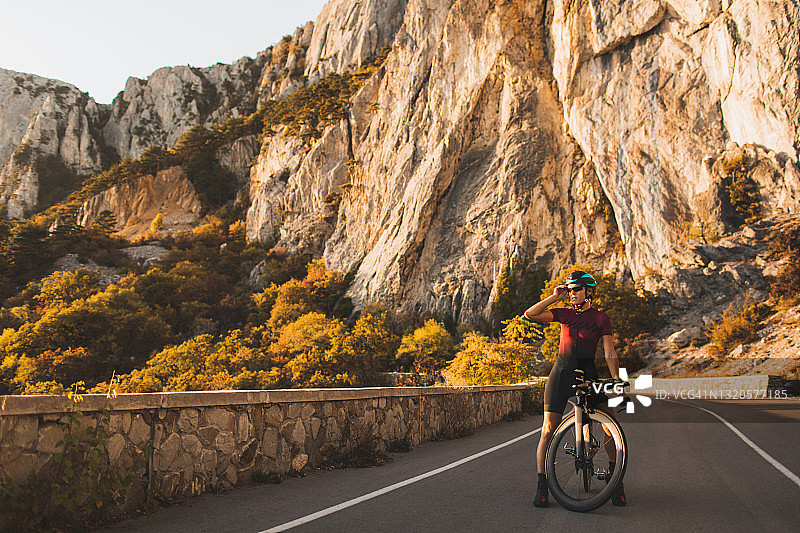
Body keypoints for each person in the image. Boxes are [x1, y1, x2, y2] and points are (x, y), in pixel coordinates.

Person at [523, 270, 627, 508]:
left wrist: (617, 380)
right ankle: (542, 485)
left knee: (611, 425)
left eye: (576, 289)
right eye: (569, 290)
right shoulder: (564, 314)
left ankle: (615, 481)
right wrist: (554, 297)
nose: (572, 294)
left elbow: (610, 353)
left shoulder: (601, 318)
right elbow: (530, 314)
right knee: (548, 429)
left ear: (589, 291)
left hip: (588, 373)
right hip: (561, 373)